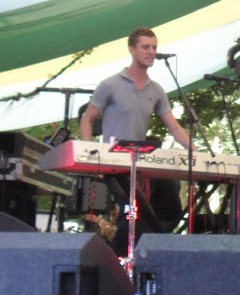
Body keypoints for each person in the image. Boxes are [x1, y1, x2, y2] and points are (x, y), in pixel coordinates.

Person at [78, 27, 194, 254]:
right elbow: (87, 119)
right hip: (112, 161)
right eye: (145, 47)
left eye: (154, 47)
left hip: (139, 162)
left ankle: (137, 255)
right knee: (133, 209)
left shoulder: (156, 90)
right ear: (132, 50)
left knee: (150, 209)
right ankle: (118, 260)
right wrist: (90, 155)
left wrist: (195, 151)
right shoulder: (110, 84)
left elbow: (173, 126)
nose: (151, 52)